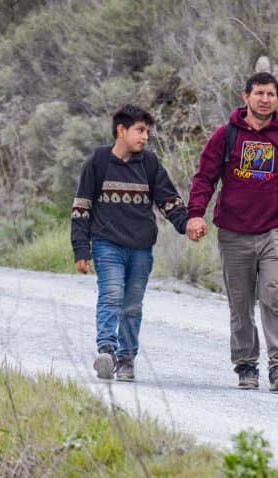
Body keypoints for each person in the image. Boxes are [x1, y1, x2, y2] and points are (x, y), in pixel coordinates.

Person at [186, 72, 278, 392]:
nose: (264, 99)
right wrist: (195, 214)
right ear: (245, 97)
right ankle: (246, 364)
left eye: (271, 94)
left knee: (275, 296)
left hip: (276, 230)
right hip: (234, 233)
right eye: (258, 93)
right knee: (241, 304)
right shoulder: (225, 136)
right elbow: (204, 177)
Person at [71, 104, 188, 381]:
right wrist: (81, 249)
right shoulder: (97, 163)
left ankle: (126, 359)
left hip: (140, 248)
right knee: (111, 295)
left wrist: (186, 224)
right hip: (106, 244)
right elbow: (81, 210)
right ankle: (107, 351)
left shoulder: (148, 164)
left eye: (147, 131)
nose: (145, 136)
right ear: (121, 131)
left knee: (132, 304)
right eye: (140, 130)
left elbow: (168, 200)